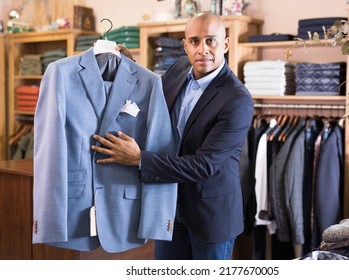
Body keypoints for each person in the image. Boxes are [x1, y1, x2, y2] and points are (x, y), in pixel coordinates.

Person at [92, 11, 254, 260]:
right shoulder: (179, 68)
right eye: (194, 41)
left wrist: (139, 159)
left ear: (226, 44)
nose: (203, 49)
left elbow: (204, 165)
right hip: (169, 205)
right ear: (185, 45)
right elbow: (152, 100)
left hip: (210, 217)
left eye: (211, 40)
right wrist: (131, 67)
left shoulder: (237, 99)